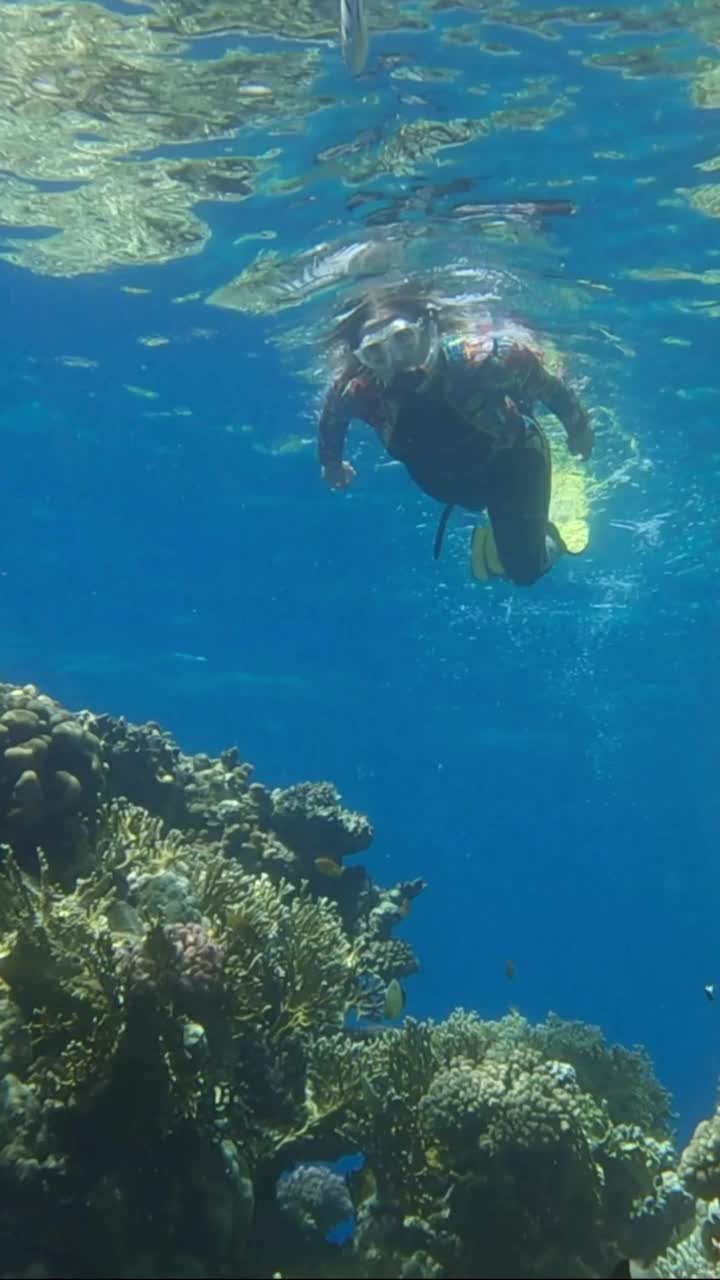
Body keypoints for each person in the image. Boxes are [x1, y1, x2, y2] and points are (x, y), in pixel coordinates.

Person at [317, 285, 594, 585]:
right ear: (363, 359)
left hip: (515, 465)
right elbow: (332, 420)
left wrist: (578, 430)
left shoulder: (488, 359)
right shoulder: (361, 391)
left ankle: (550, 536)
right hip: (453, 485)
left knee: (525, 571)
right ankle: (502, 520)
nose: (396, 360)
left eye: (403, 338)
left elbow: (550, 388)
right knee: (480, 506)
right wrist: (331, 464)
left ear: (430, 329)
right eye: (375, 352)